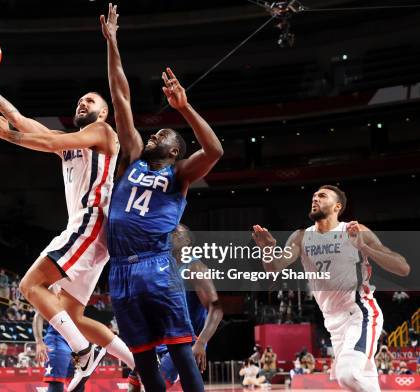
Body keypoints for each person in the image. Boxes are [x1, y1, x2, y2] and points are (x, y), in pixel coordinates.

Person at [0, 39, 135, 389]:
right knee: (73, 315)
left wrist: (8, 137)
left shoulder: (103, 132)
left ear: (102, 113)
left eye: (90, 100)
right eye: (79, 100)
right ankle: (142, 365)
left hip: (90, 224)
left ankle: (83, 351)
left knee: (30, 285)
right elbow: (21, 119)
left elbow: (47, 142)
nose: (82, 102)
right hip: (95, 237)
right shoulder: (74, 146)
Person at [101, 4, 223, 391]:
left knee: (181, 351)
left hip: (156, 266)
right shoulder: (134, 156)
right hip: (119, 269)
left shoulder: (179, 173)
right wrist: (113, 43)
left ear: (175, 151)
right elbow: (120, 97)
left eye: (163, 136)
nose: (154, 135)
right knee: (142, 358)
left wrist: (184, 108)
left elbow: (215, 151)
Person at [252, 185, 410, 392]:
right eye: (314, 195)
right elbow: (273, 267)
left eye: (322, 196)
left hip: (360, 313)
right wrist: (267, 249)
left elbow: (402, 268)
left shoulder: (353, 231)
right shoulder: (301, 236)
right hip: (332, 322)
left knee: (348, 375)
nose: (315, 198)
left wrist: (364, 247)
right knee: (362, 381)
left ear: (337, 207)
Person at [129, 224, 224, 390]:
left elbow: (216, 308)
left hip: (187, 341)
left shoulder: (195, 267)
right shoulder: (162, 268)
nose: (170, 234)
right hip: (160, 341)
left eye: (175, 232)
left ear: (187, 240)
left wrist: (201, 342)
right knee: (133, 384)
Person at [34, 302, 88, 392]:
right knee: (57, 384)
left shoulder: (81, 293)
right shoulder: (55, 289)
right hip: (58, 342)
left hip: (76, 344)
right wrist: (39, 342)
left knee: (77, 385)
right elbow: (39, 315)